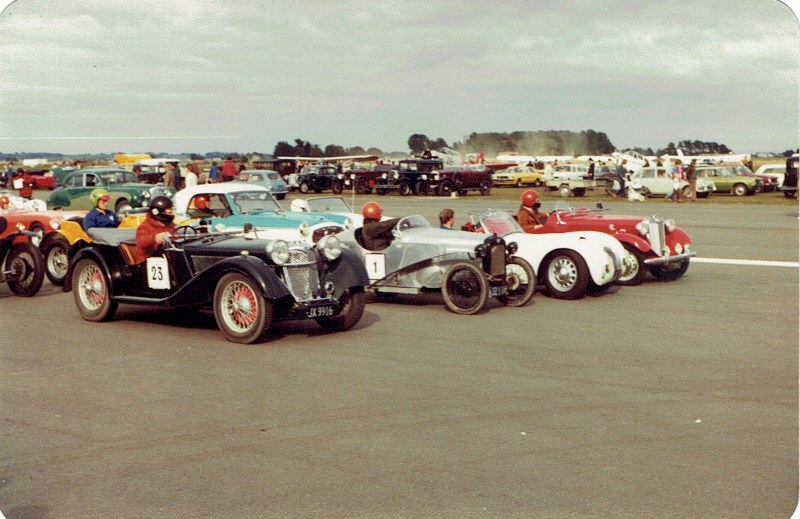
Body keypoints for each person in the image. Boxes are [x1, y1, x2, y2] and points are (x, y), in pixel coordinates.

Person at [133, 195, 177, 264]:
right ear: (157, 212)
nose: (171, 214)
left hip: (168, 258)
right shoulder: (145, 226)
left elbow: (176, 237)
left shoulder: (171, 225)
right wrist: (154, 238)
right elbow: (141, 241)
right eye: (169, 212)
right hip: (147, 261)